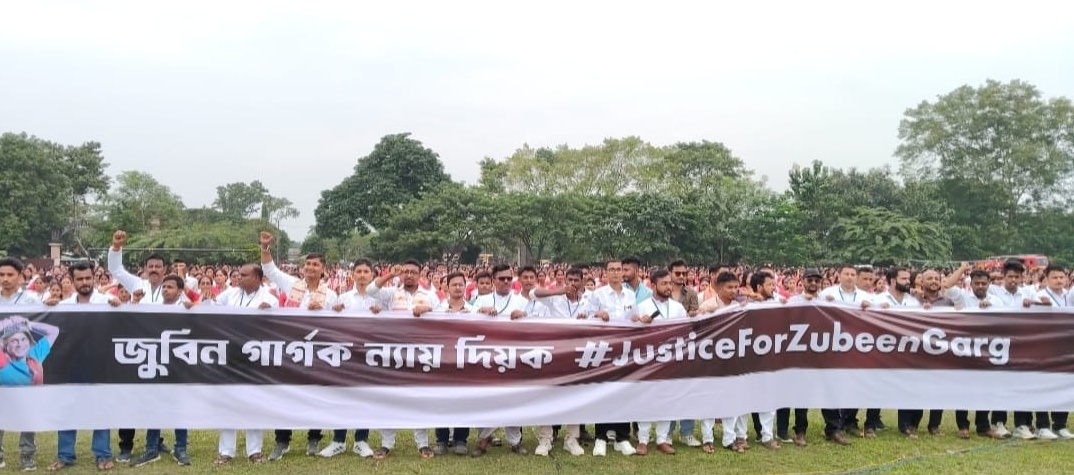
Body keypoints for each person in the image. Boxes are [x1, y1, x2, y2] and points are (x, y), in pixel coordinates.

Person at [45, 261, 119, 471]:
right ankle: (65, 455)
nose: (85, 282)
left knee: (100, 409)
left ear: (94, 278)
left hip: (101, 365)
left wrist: (119, 308)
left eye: (88, 278)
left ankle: (103, 454)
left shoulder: (107, 302)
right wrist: (48, 308)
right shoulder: (63, 305)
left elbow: (124, 325)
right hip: (71, 365)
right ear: (72, 280)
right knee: (67, 410)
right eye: (80, 279)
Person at [212, 264, 277, 466]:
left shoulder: (269, 298)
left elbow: (277, 326)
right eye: (238, 274)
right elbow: (211, 309)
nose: (239, 278)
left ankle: (255, 451)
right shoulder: (229, 295)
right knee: (227, 403)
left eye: (244, 275)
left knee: (254, 404)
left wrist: (269, 312)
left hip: (256, 358)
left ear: (258, 277)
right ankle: (226, 451)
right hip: (230, 355)